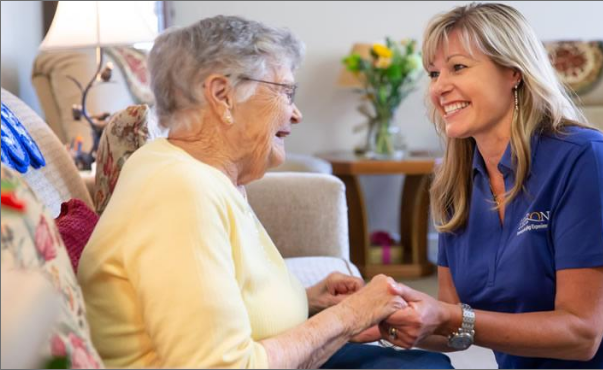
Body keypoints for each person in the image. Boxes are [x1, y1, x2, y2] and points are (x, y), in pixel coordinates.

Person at [77, 15, 452, 369]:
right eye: (286, 92)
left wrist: (306, 300)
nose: (296, 113)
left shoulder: (203, 173)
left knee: (428, 363)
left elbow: (208, 300)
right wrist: (350, 316)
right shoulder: (180, 191)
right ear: (222, 96)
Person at [377, 3, 603, 369]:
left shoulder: (586, 160)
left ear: (513, 73)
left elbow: (582, 333)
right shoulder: (450, 186)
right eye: (433, 73)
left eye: (458, 66)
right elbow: (449, 325)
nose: (439, 87)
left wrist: (449, 318)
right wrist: (383, 317)